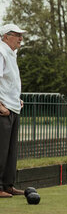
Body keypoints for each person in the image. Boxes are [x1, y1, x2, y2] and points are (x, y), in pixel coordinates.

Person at [0, 24, 26, 198]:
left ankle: (8, 185)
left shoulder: (12, 54)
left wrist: (17, 99)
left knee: (11, 150)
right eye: (17, 35)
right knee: (1, 150)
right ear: (6, 36)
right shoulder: (1, 53)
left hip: (13, 107)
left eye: (21, 35)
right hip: (4, 110)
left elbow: (10, 82)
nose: (20, 39)